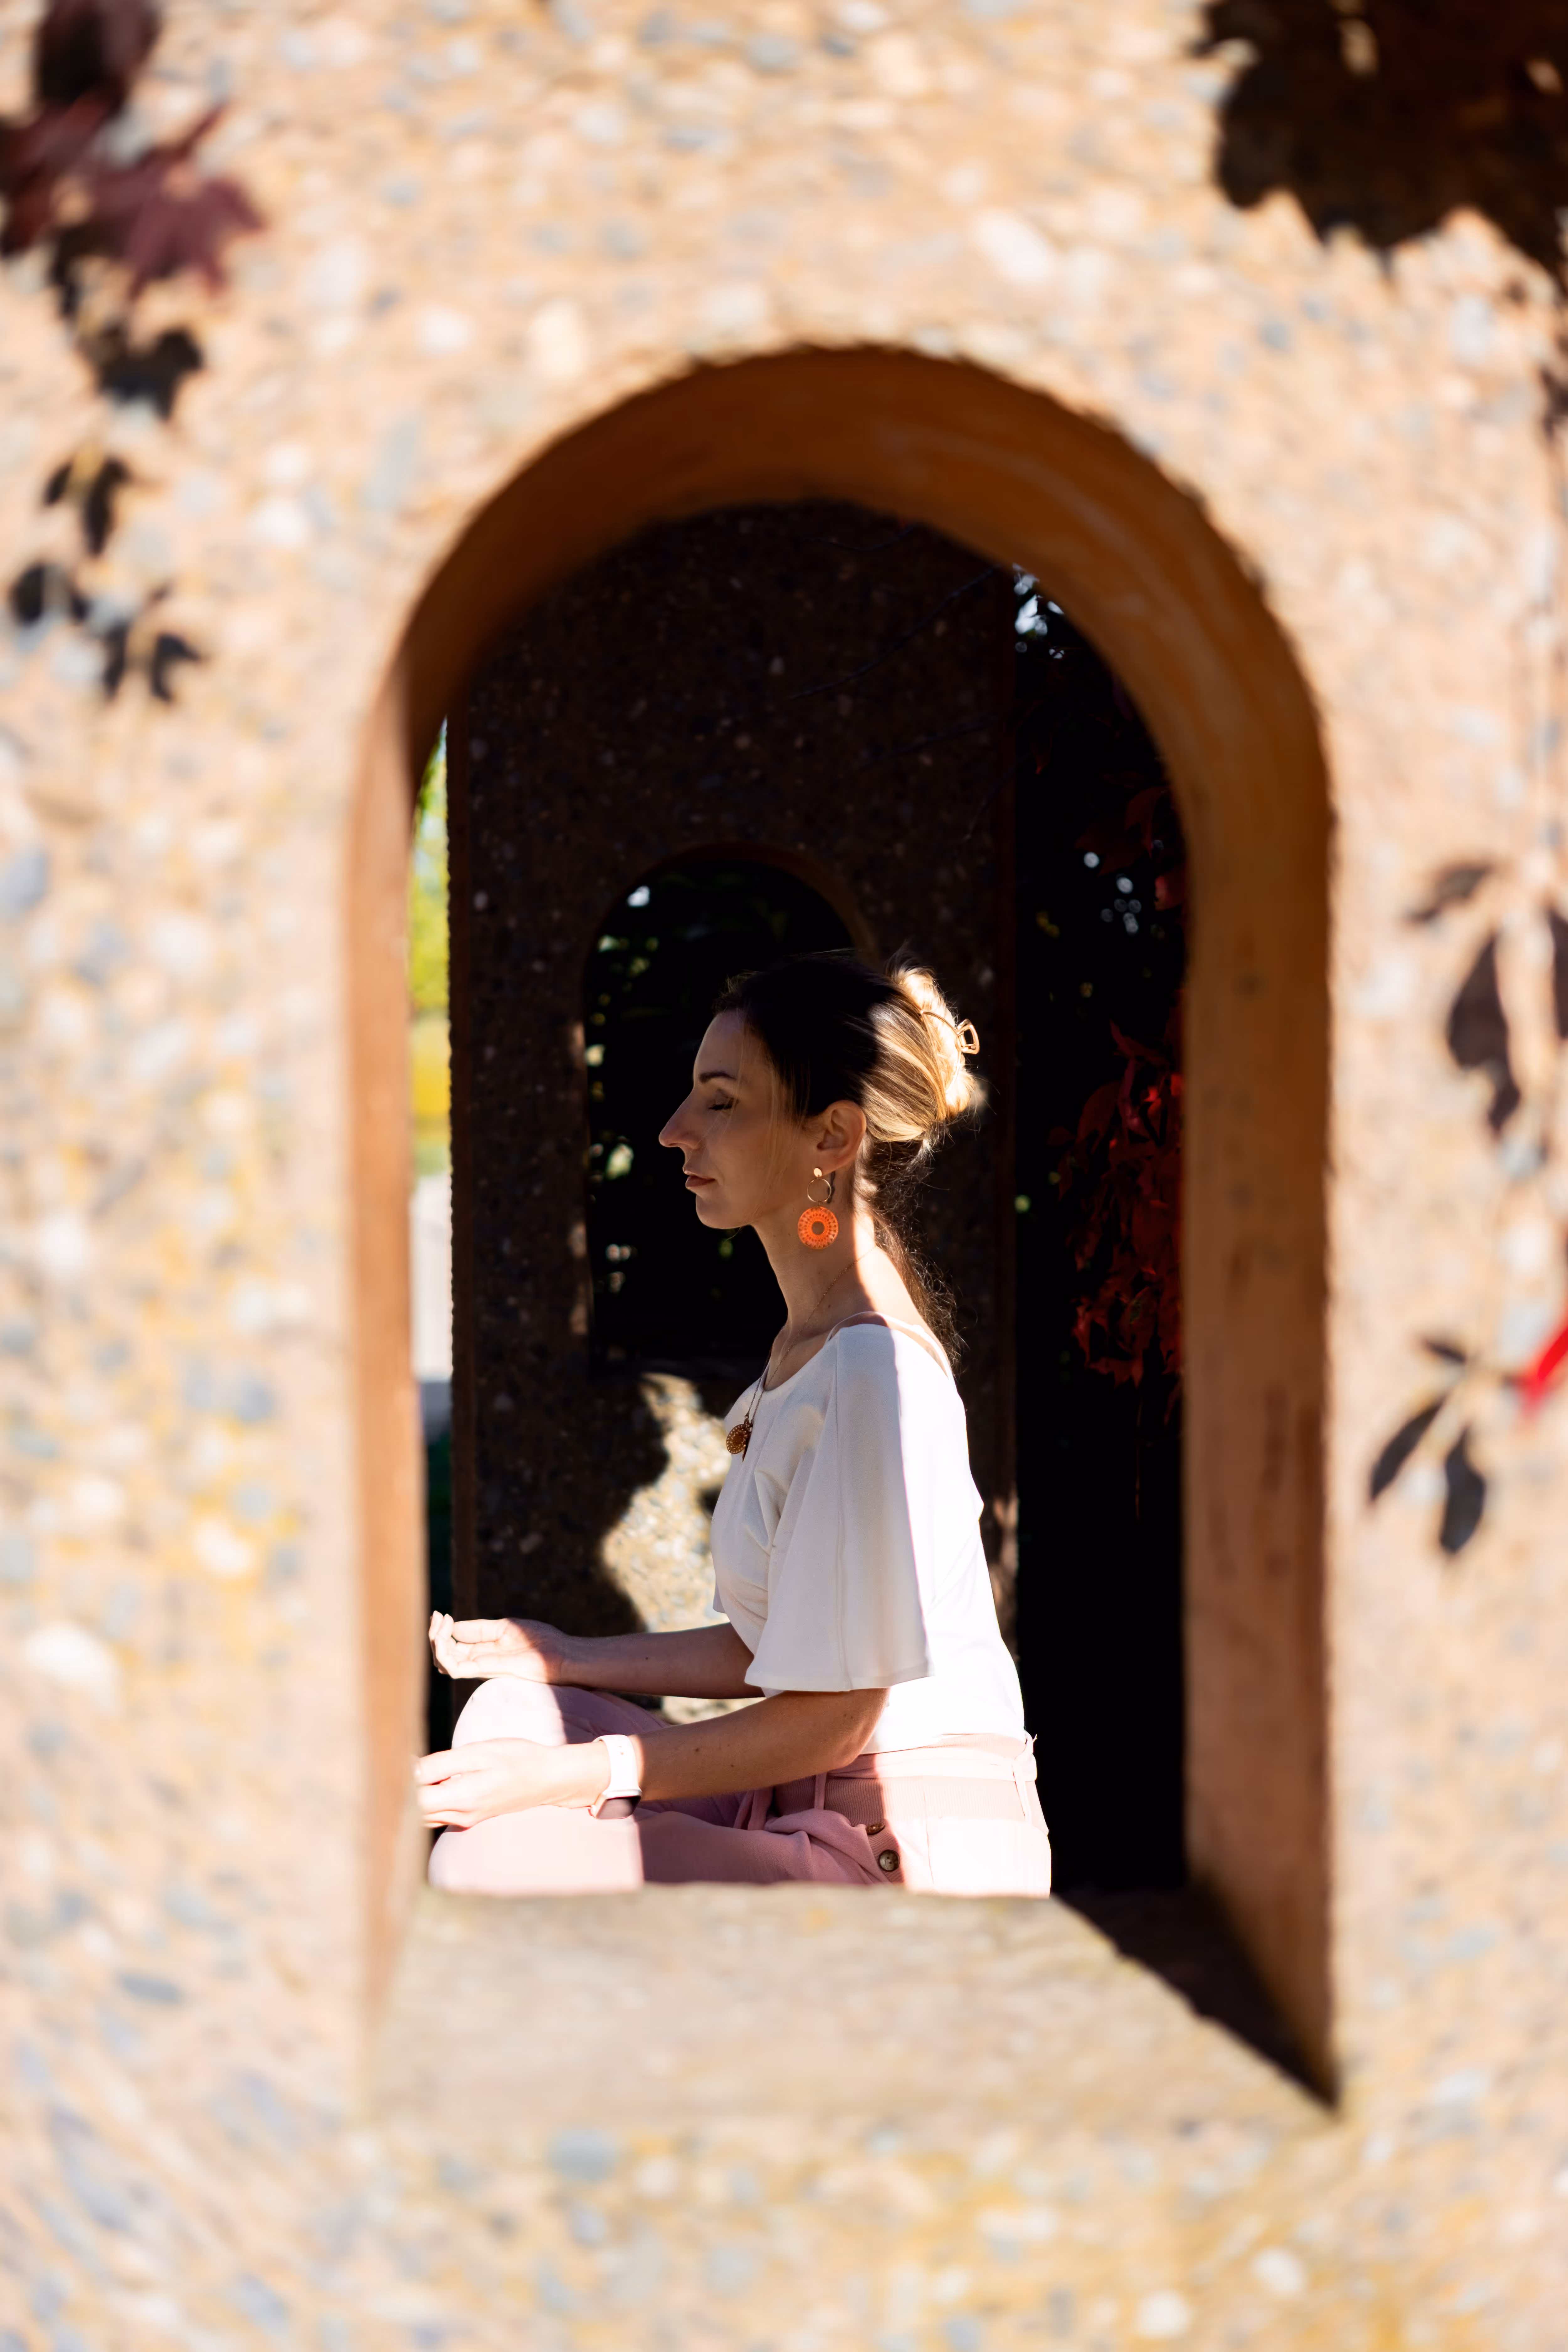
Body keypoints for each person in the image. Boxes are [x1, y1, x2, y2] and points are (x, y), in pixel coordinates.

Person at [416, 953, 1051, 1897]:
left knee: (488, 1857)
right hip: (805, 1801)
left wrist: (577, 1776)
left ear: (832, 1135)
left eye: (721, 1102)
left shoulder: (870, 1371)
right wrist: (563, 1655)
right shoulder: (811, 1345)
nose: (674, 1130)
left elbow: (837, 1717)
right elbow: (774, 1650)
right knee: (511, 1710)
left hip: (904, 1849)